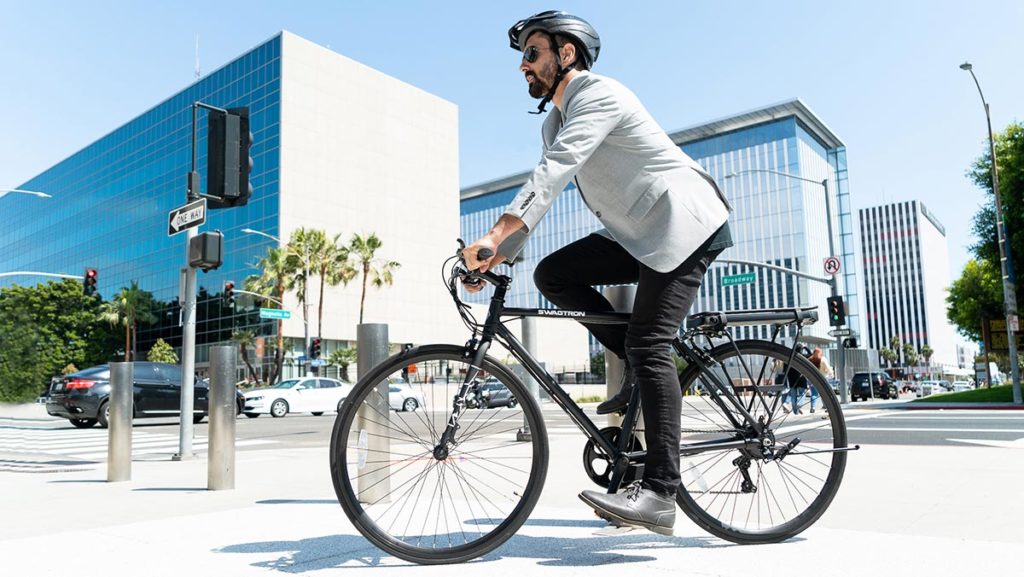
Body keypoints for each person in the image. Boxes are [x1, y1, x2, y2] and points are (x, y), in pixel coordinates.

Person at [463, 10, 733, 536]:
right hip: (639, 232)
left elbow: (555, 171)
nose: (523, 66)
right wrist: (500, 259)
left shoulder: (599, 94)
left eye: (532, 53)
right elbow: (549, 187)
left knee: (651, 343)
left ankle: (659, 494)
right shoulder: (553, 120)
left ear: (566, 54)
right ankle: (635, 370)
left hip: (684, 222)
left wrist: (494, 234)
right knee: (554, 276)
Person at [808, 347, 833, 414]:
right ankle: (826, 406)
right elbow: (828, 369)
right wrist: (830, 374)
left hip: (812, 379)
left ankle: (812, 407)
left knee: (814, 394)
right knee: (824, 393)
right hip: (822, 379)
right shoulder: (823, 359)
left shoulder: (810, 359)